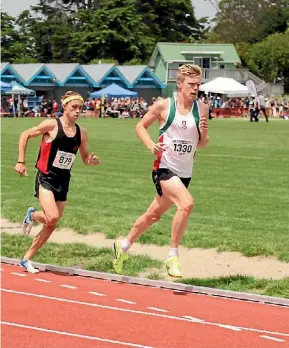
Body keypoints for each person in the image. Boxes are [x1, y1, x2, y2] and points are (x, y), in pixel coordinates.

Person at [112, 64, 209, 278]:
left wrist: (203, 132)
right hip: (164, 168)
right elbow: (140, 126)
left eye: (198, 85)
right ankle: (172, 256)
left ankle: (123, 246)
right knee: (186, 204)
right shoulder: (164, 106)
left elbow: (202, 145)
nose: (195, 88)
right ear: (180, 84)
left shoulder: (202, 109)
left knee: (153, 215)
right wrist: (150, 145)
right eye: (191, 84)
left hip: (185, 172)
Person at [14, 91, 100, 273]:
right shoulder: (52, 125)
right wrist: (21, 161)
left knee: (52, 224)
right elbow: (25, 135)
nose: (78, 111)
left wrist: (90, 160)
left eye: (80, 108)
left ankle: (26, 258)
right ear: (65, 107)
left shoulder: (81, 132)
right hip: (46, 177)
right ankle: (32, 216)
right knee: (52, 217)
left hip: (63, 180)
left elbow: (84, 157)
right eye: (74, 107)